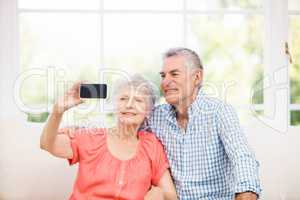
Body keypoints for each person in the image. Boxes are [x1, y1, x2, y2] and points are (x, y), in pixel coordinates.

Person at [147, 47, 262, 200]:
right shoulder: (155, 117)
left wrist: (247, 191)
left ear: (197, 77)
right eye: (163, 75)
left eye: (174, 74)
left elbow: (241, 155)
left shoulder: (219, 112)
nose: (165, 82)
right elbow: (128, 138)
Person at [40, 75, 178, 200]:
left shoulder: (151, 145)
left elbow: (171, 195)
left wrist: (159, 194)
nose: (129, 105)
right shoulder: (92, 137)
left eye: (138, 100)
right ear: (115, 105)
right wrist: (58, 111)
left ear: (148, 111)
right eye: (123, 99)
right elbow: (47, 144)